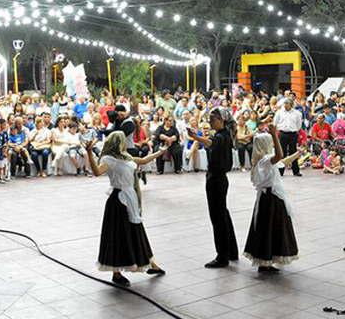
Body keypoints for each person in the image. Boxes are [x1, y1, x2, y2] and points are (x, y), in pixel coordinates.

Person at [85, 132, 167, 287]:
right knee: (119, 235)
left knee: (136, 231)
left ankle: (150, 264)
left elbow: (142, 160)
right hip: (118, 200)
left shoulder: (126, 157)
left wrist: (160, 152)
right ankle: (116, 273)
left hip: (130, 198)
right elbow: (96, 172)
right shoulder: (109, 160)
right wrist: (89, 152)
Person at [187, 108, 238, 268]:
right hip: (219, 178)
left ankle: (222, 256)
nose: (210, 122)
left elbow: (211, 143)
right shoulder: (225, 135)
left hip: (217, 179)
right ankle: (231, 251)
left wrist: (195, 137)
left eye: (213, 120)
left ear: (221, 120)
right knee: (223, 214)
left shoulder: (221, 136)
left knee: (218, 217)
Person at [243, 127, 299, 273]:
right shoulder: (265, 160)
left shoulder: (264, 160)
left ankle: (267, 259)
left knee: (268, 229)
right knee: (269, 229)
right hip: (270, 200)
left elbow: (282, 161)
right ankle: (265, 261)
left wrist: (297, 154)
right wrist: (275, 134)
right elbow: (279, 156)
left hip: (269, 198)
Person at [273, 99, 303, 177]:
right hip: (283, 133)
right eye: (284, 103)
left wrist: (295, 130)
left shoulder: (297, 113)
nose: (285, 105)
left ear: (291, 104)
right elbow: (275, 123)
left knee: (293, 152)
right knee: (282, 152)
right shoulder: (279, 112)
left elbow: (299, 125)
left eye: (287, 103)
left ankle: (296, 171)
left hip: (293, 133)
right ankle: (280, 171)